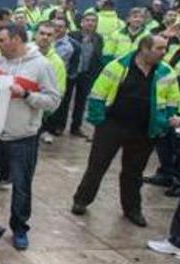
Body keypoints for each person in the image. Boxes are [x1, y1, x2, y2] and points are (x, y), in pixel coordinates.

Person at [71, 35, 179, 227]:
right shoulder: (117, 66)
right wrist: (98, 120)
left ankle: (132, 209)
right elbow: (98, 93)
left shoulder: (166, 72)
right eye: (159, 48)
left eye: (165, 49)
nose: (164, 52)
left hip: (144, 130)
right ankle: (81, 200)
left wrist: (166, 120)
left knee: (134, 172)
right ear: (144, 49)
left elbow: (173, 100)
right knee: (97, 165)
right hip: (113, 125)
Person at [0, 23, 61, 250]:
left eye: (2, 40)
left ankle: (19, 228)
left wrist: (27, 95)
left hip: (23, 138)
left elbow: (53, 100)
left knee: (21, 186)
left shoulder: (41, 66)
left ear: (17, 40)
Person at [43, 16, 83, 137]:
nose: (57, 29)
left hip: (63, 78)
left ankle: (58, 126)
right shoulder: (45, 40)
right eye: (55, 26)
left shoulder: (74, 45)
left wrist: (71, 77)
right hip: (45, 76)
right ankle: (44, 127)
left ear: (66, 28)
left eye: (60, 26)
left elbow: (76, 63)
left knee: (63, 104)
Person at [33, 22, 67, 145]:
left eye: (49, 34)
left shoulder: (57, 63)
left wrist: (44, 114)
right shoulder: (22, 54)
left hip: (38, 113)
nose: (45, 37)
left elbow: (59, 92)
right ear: (34, 34)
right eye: (42, 33)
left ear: (54, 38)